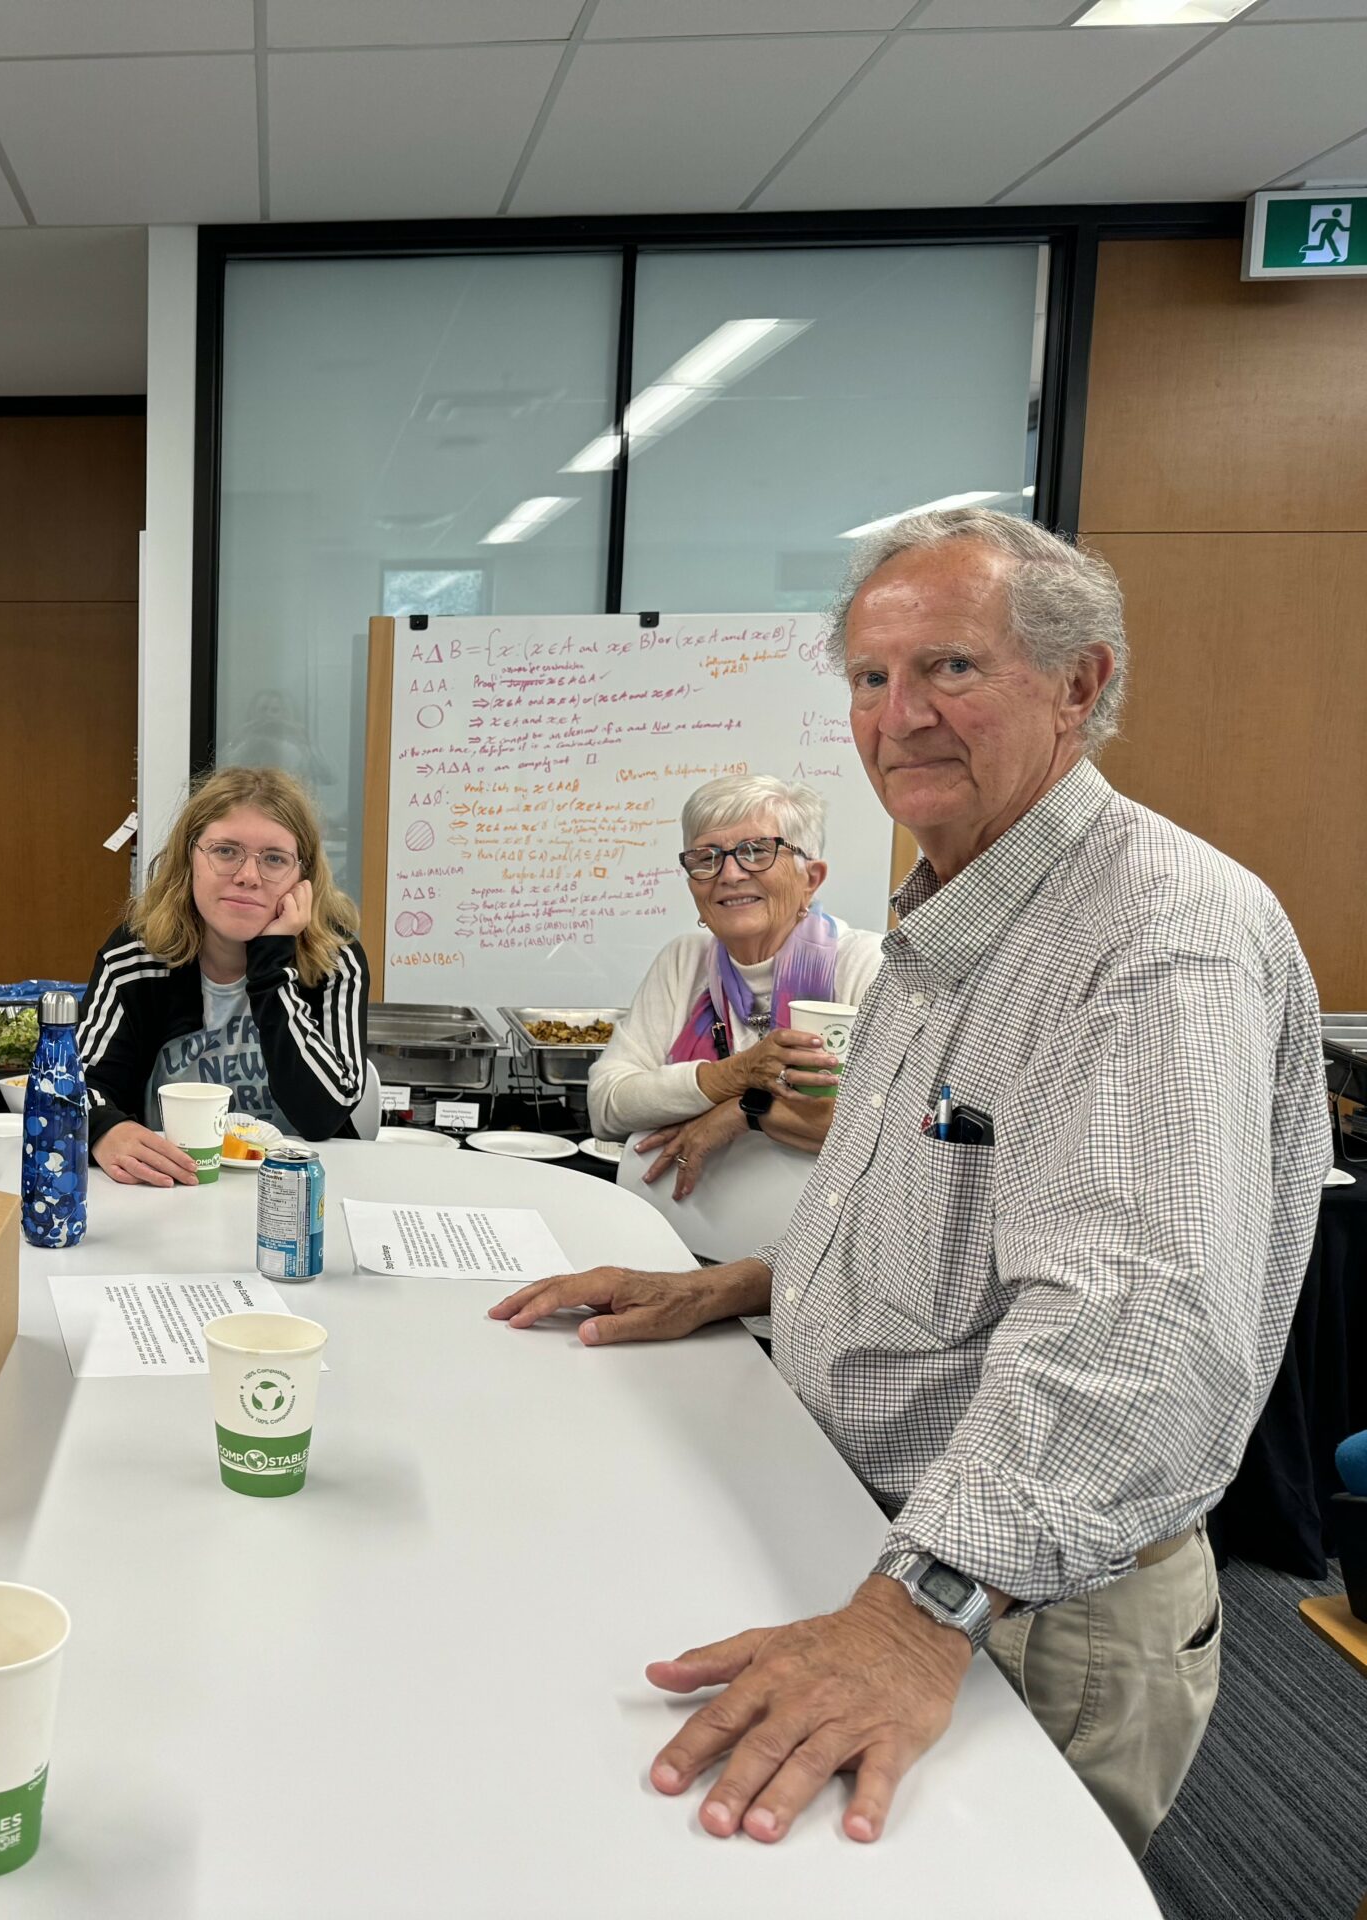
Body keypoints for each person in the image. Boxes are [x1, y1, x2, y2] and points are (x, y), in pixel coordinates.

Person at [489, 508, 1325, 1858]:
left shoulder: (1159, 941)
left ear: (1082, 684)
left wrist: (911, 1614)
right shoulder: (954, 907)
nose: (900, 716)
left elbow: (1136, 1337)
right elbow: (957, 1211)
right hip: (881, 1536)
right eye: (872, 679)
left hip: (1021, 1605)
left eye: (952, 668)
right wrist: (752, 1282)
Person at [590, 774, 882, 1200]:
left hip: (812, 1250)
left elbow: (886, 1126)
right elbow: (606, 1106)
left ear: (811, 878)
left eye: (756, 851)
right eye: (706, 857)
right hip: (678, 1232)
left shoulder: (865, 965)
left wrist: (744, 1112)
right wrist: (736, 1074)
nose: (729, 873)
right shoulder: (684, 962)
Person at [80, 765, 370, 1186]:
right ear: (189, 857)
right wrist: (103, 1128)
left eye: (274, 859)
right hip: (174, 1188)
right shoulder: (134, 956)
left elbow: (323, 1113)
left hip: (301, 1190)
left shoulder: (335, 959)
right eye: (226, 851)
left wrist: (272, 966)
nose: (248, 876)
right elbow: (70, 1085)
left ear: (303, 877)